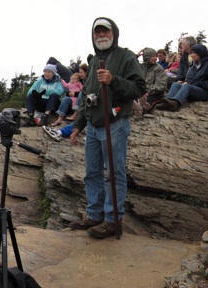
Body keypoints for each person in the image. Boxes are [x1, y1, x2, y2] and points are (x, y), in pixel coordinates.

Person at [71, 17, 142, 240]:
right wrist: (78, 125)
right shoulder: (93, 62)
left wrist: (113, 80)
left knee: (114, 174)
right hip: (93, 125)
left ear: (114, 33)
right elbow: (86, 96)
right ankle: (94, 215)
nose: (101, 35)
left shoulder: (126, 57)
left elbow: (139, 88)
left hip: (115, 124)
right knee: (91, 173)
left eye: (105, 31)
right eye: (97, 32)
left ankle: (112, 220)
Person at [157, 44, 208, 111]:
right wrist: (184, 82)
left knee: (187, 86)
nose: (191, 55)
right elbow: (189, 79)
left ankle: (175, 103)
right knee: (176, 84)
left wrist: (195, 84)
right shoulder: (193, 66)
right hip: (193, 88)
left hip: (206, 93)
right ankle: (167, 101)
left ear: (200, 53)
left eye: (193, 53)